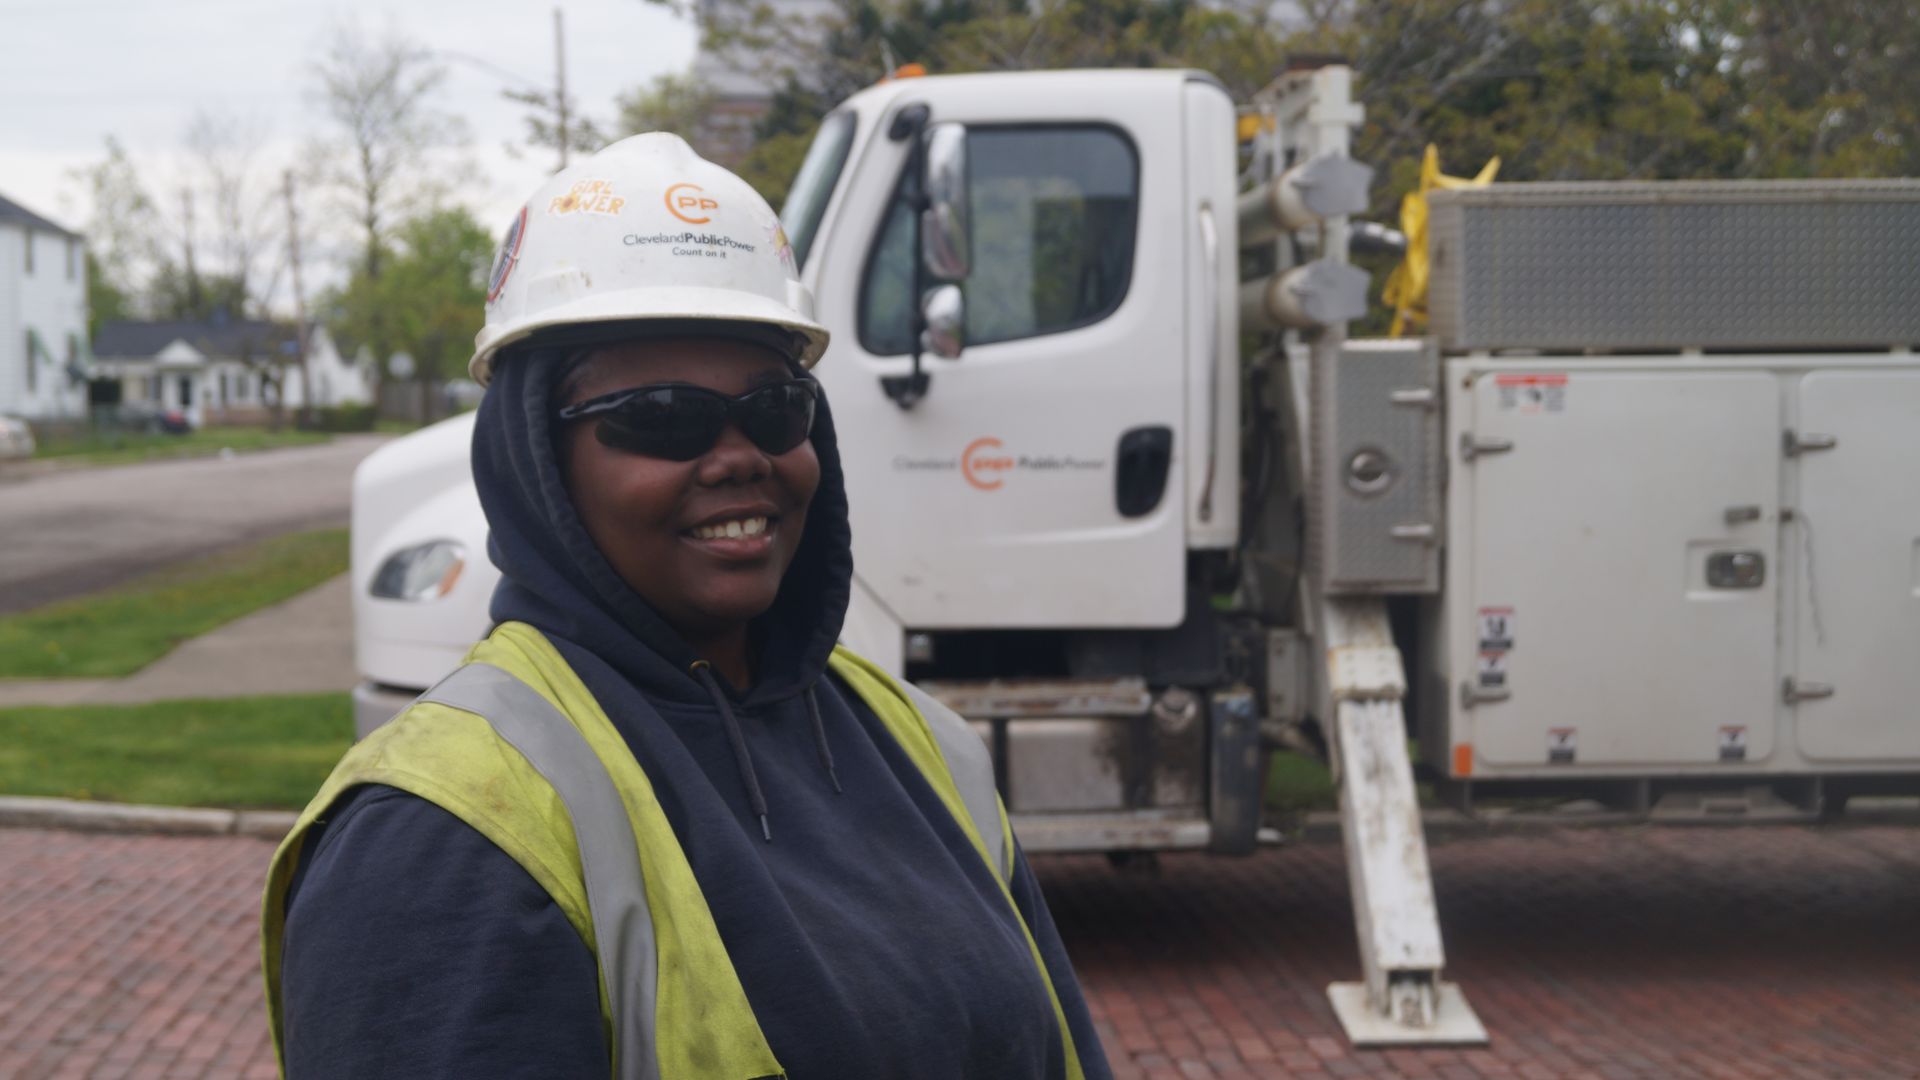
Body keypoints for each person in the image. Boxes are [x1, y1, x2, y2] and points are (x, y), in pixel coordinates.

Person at [259, 132, 1113, 1080]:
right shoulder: (443, 837)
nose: (741, 453)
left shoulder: (925, 744)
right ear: (536, 461)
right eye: (663, 415)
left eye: (777, 408)